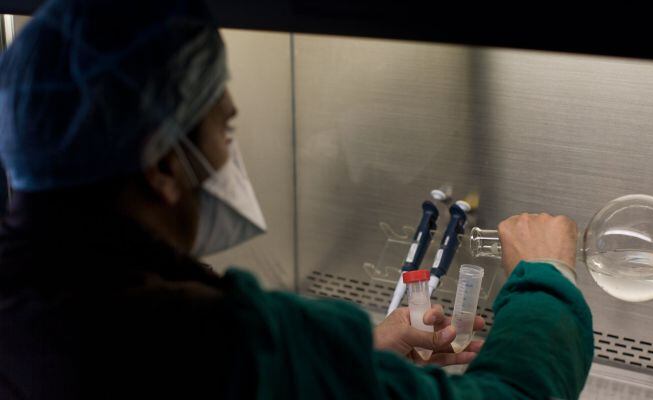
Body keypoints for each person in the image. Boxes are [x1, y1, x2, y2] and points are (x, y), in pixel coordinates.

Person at [0, 0, 593, 399]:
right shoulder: (217, 343)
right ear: (161, 164)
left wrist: (357, 351)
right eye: (223, 132)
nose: (231, 156)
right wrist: (545, 280)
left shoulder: (35, 307)